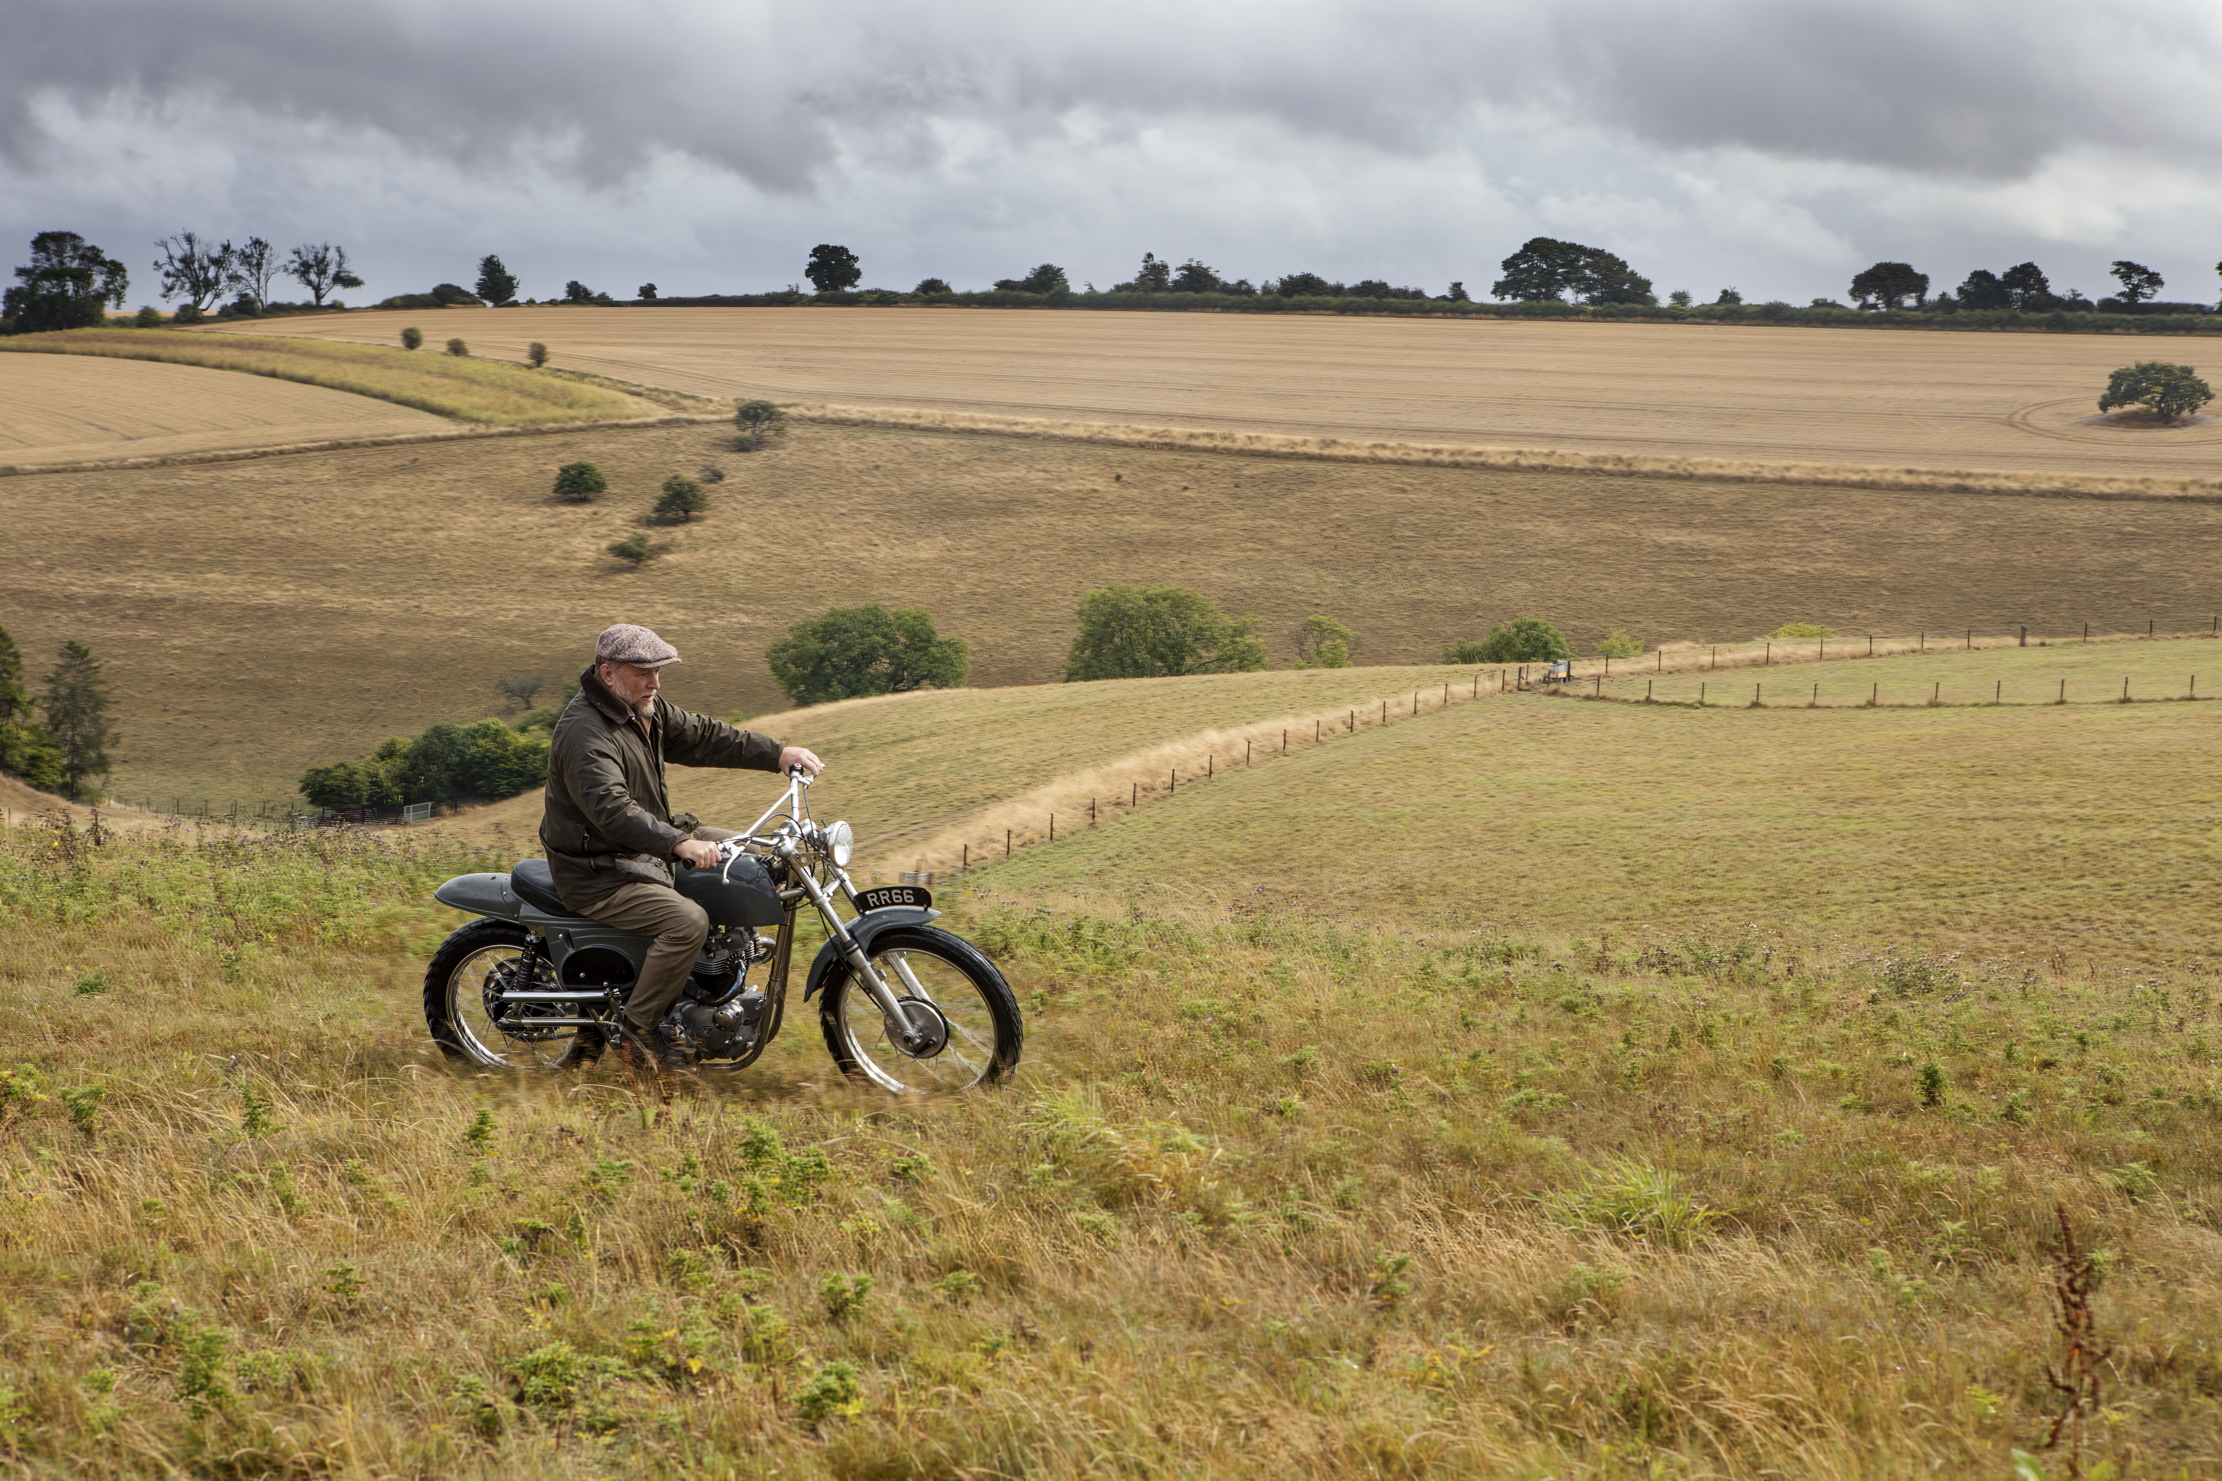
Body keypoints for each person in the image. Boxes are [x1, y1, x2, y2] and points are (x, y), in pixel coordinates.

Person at [541, 623, 822, 1076]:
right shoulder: (585, 733)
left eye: (659, 672)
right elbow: (612, 810)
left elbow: (703, 736)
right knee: (688, 922)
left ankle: (719, 977)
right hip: (601, 869)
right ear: (607, 673)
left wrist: (777, 754)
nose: (655, 682)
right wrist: (679, 843)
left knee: (761, 859)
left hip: (644, 846)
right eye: (643, 672)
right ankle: (638, 1033)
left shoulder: (640, 708)